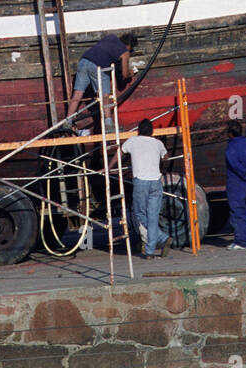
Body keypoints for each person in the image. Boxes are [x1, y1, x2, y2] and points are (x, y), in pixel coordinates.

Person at [121, 119, 169, 259]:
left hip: (141, 182)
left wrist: (109, 167)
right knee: (153, 217)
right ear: (152, 131)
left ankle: (162, 238)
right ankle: (150, 250)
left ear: (138, 130)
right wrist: (161, 168)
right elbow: (166, 157)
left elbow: (120, 152)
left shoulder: (133, 141)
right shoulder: (157, 143)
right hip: (155, 182)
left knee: (140, 215)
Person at [64, 33, 136, 126]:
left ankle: (68, 121)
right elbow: (125, 74)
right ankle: (109, 124)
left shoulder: (111, 37)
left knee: (77, 94)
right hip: (98, 66)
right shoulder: (125, 52)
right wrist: (131, 73)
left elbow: (105, 51)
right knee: (105, 96)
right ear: (129, 45)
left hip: (84, 61)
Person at [225, 119, 246, 250]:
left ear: (230, 133)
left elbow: (235, 165)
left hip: (237, 183)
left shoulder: (232, 146)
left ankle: (241, 241)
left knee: (239, 212)